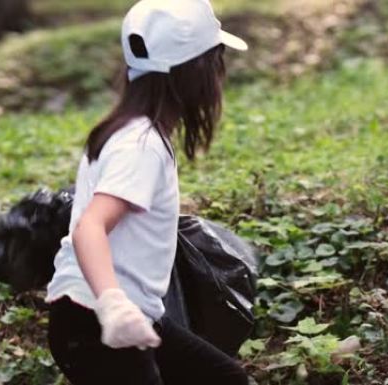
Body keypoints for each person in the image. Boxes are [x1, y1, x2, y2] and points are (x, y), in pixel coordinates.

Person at [43, 1, 249, 384]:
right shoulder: (140, 145)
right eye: (217, 58)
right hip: (97, 319)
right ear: (196, 71)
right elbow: (90, 227)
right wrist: (113, 305)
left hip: (113, 314)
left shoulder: (131, 131)